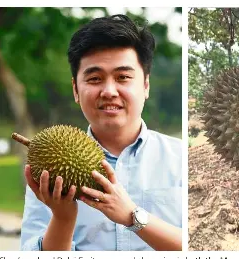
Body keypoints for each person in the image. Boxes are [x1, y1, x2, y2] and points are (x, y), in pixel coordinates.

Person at [20, 14, 182, 251]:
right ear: (76, 89)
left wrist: (132, 216)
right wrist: (63, 218)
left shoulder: (180, 159)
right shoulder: (45, 174)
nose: (109, 91)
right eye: (95, 78)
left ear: (146, 85)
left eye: (123, 77)